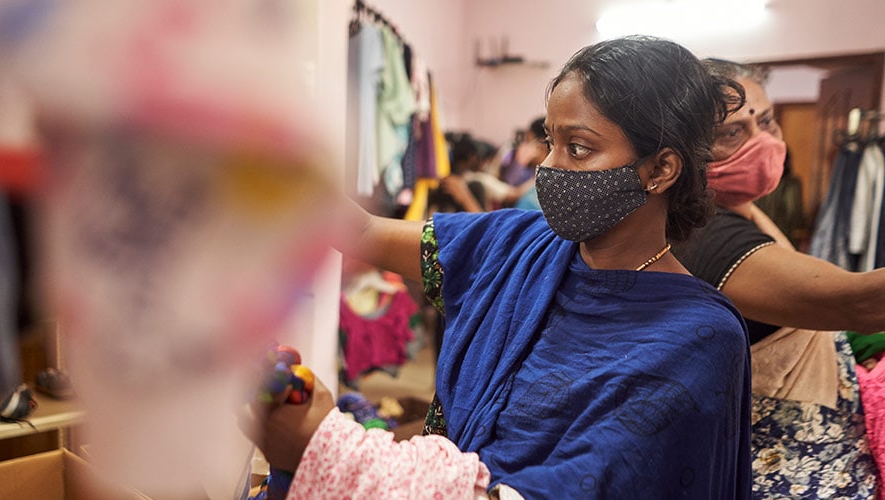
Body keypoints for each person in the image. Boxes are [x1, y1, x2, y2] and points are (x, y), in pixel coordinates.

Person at [240, 35, 753, 499]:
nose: (550, 167)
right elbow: (362, 232)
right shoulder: (516, 243)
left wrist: (324, 452)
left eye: (578, 148)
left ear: (660, 169)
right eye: (551, 142)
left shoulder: (698, 340)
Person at [671, 58, 885, 497]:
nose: (763, 141)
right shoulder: (707, 238)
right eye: (733, 133)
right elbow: (857, 304)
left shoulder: (742, 212)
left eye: (767, 121)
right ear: (686, 151)